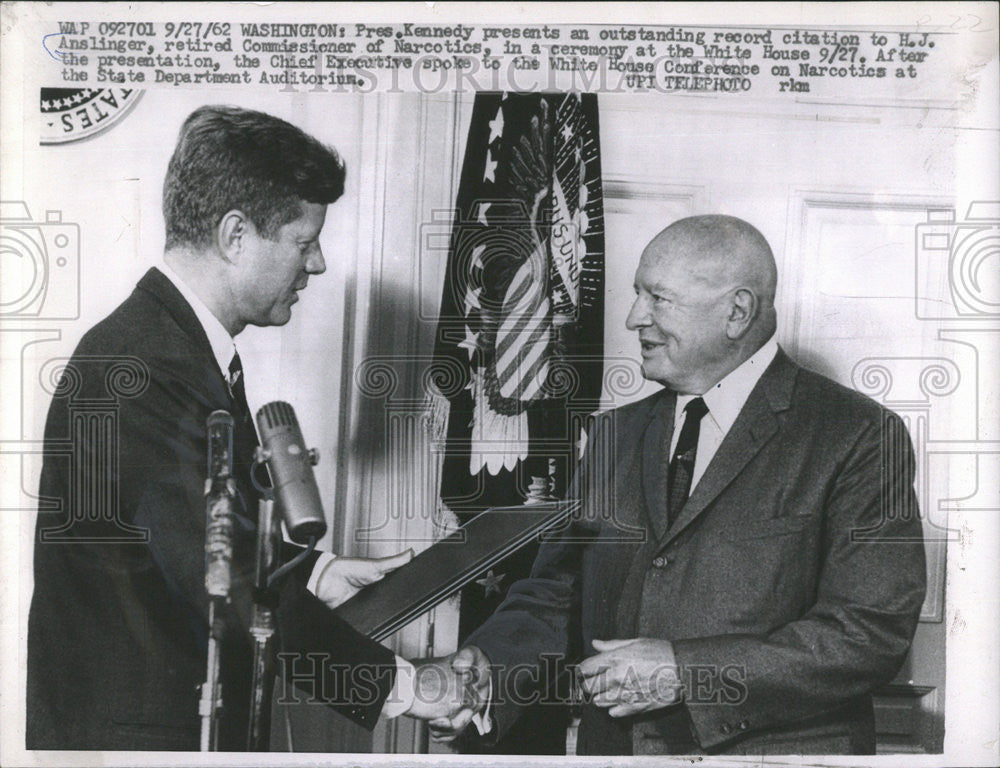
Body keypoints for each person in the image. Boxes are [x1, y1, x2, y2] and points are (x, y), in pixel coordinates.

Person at [415, 214, 927, 755]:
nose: (636, 317)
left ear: (737, 312)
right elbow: (555, 596)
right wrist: (489, 670)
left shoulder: (856, 433)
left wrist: (688, 672)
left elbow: (870, 630)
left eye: (659, 298)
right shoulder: (615, 432)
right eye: (638, 294)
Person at [26, 105, 455, 751]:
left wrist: (316, 573)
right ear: (235, 235)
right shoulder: (138, 368)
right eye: (304, 241)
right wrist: (406, 687)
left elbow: (194, 533)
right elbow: (218, 585)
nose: (317, 265)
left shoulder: (172, 349)